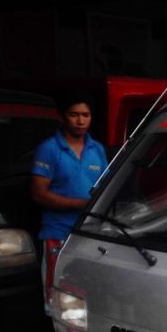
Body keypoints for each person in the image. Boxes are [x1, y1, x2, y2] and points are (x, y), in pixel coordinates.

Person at [31, 89, 107, 311]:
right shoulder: (49, 149)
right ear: (62, 116)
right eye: (74, 115)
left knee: (86, 292)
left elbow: (103, 188)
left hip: (90, 232)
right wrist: (83, 205)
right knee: (57, 292)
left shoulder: (98, 149)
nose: (81, 121)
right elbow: (39, 194)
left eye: (86, 115)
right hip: (58, 233)